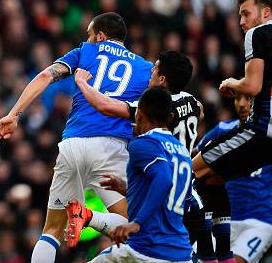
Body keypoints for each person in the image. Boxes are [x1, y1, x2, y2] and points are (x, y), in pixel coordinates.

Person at [0, 12, 153, 262]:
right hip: (113, 147)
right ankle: (89, 216)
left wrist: (14, 114)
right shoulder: (145, 68)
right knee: (135, 223)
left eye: (89, 34)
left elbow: (46, 76)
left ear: (99, 35)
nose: (87, 39)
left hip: (72, 144)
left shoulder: (86, 51)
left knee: (52, 230)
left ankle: (85, 216)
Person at [72, 51, 216, 262]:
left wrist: (82, 82)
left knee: (142, 229)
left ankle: (89, 217)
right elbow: (200, 113)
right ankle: (89, 217)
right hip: (189, 192)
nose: (151, 70)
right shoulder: (193, 102)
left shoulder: (149, 120)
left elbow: (104, 105)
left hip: (170, 194)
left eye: (155, 68)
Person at [193, 0, 272, 263]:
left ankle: (206, 252)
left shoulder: (258, 33)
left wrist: (230, 83)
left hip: (262, 129)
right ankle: (222, 254)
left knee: (193, 173)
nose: (241, 22)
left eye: (245, 14)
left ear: (266, 12)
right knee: (214, 177)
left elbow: (252, 85)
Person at [89, 87, 193, 263]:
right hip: (181, 253)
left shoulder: (143, 143)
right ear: (170, 118)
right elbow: (179, 198)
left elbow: (164, 180)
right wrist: (127, 189)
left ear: (139, 115)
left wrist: (137, 222)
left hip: (147, 251)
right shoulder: (182, 152)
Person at [197, 93, 272, 263]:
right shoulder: (222, 130)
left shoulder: (268, 136)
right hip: (221, 220)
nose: (243, 104)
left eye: (249, 99)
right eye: (238, 98)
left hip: (259, 221)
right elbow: (194, 160)